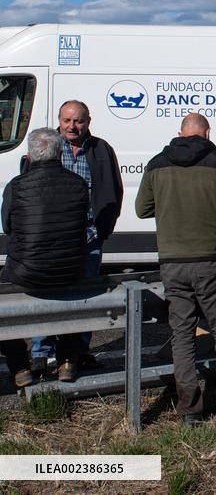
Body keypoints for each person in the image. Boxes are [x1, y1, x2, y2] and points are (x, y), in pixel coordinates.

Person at [136, 114, 216, 423]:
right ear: (207, 133)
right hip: (210, 260)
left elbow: (141, 209)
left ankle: (190, 410)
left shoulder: (157, 163)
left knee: (182, 335)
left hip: (173, 262)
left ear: (180, 133)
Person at [32, 100, 123, 376]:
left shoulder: (101, 149)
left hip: (88, 238)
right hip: (53, 240)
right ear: (59, 120)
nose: (72, 126)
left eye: (78, 121)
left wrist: (103, 229)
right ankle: (41, 353)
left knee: (85, 298)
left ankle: (76, 353)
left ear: (88, 122)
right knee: (49, 296)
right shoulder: (46, 146)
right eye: (67, 120)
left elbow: (114, 190)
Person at [2, 128, 90, 386]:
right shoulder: (78, 184)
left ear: (29, 156)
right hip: (70, 269)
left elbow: (7, 226)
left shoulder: (16, 186)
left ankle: (20, 367)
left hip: (26, 271)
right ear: (60, 154)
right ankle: (67, 361)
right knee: (75, 296)